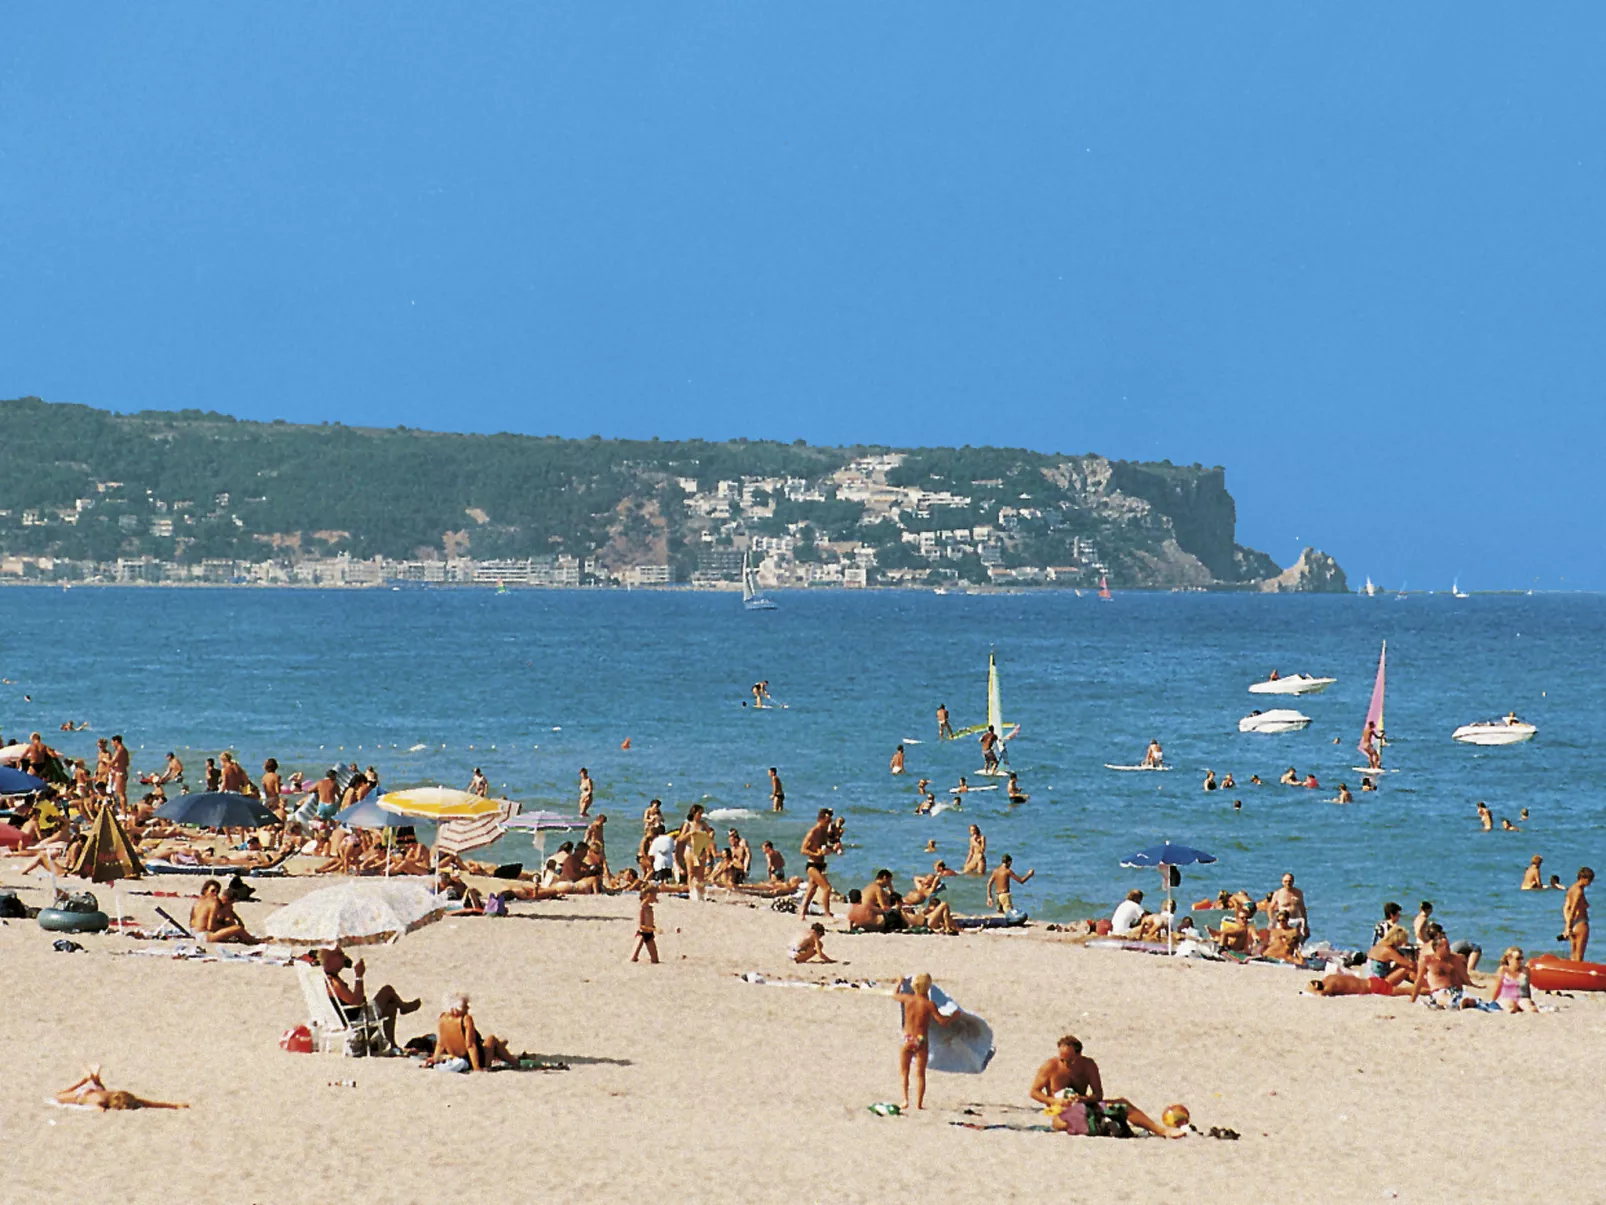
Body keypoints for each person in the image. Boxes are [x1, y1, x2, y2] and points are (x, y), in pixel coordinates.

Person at [1029, 1035, 1184, 1138]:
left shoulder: (1088, 1065)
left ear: (1079, 1055)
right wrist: (1054, 1101)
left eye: (1070, 1060)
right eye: (1062, 1059)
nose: (1065, 1064)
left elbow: (1098, 1095)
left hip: (1084, 1106)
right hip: (1060, 1111)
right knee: (1061, 1124)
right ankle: (1105, 1125)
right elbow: (1034, 1092)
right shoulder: (1050, 1066)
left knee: (1122, 1104)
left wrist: (1082, 1099)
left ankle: (1161, 1131)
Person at [321, 947, 420, 1047]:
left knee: (391, 1005)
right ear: (330, 959)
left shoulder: (326, 980)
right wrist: (359, 976)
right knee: (387, 990)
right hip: (357, 1021)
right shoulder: (335, 983)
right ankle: (403, 1007)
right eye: (340, 955)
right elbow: (356, 1002)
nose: (344, 957)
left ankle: (392, 1044)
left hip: (346, 1019)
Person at [893, 973, 955, 1111]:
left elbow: (894, 995)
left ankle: (905, 1100)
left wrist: (899, 983)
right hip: (921, 1039)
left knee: (905, 1071)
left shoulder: (908, 999)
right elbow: (942, 1021)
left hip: (908, 1038)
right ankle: (919, 1104)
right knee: (920, 1074)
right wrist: (953, 1016)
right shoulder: (929, 1004)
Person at [427, 991, 518, 1070]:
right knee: (491, 1039)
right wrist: (476, 1067)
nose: (468, 1008)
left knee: (497, 1043)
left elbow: (440, 1044)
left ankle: (500, 1049)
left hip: (457, 1058)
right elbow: (470, 1045)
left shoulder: (443, 1018)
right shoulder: (465, 1019)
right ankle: (515, 1063)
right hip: (474, 1060)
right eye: (465, 1006)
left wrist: (435, 1058)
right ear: (456, 1008)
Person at [55, 1066, 187, 1111]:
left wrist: (174, 1106)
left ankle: (93, 1078)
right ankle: (85, 1079)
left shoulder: (116, 1096)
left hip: (97, 1090)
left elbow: (150, 1104)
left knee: (98, 1087)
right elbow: (88, 1103)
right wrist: (175, 1106)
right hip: (86, 1094)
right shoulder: (99, 1101)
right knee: (60, 1096)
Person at [1410, 926, 1477, 1008]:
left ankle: (1464, 1001)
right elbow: (1419, 980)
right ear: (1438, 948)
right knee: (1442, 997)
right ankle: (1458, 1003)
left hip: (1456, 991)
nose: (1449, 950)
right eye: (1447, 947)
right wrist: (1412, 999)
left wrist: (1474, 985)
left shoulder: (1455, 959)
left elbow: (1465, 979)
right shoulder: (1427, 960)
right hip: (1439, 991)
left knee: (1473, 999)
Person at [189, 879, 259, 944]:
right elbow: (210, 927)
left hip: (193, 932)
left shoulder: (198, 902)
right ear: (205, 890)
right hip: (204, 936)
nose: (215, 894)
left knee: (232, 927)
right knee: (238, 929)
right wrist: (228, 927)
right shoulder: (213, 902)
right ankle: (256, 941)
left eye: (217, 892)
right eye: (213, 891)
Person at [799, 809, 834, 919]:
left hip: (821, 864)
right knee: (827, 888)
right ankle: (827, 913)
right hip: (812, 864)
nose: (829, 823)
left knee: (811, 890)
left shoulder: (824, 832)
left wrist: (832, 849)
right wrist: (816, 854)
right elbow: (803, 850)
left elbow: (824, 846)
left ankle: (802, 912)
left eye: (830, 820)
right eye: (827, 820)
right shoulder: (813, 832)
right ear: (821, 819)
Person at [1487, 948, 1538, 1013]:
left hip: (1522, 998)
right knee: (1511, 1009)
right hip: (1507, 998)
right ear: (1509, 959)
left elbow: (1527, 988)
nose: (1520, 961)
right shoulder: (1503, 970)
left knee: (1532, 1010)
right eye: (1518, 958)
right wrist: (1492, 1000)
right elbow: (1497, 987)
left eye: (1521, 958)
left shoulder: (1526, 971)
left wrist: (1529, 1000)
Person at [1565, 867, 1594, 961]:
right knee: (1579, 955)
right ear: (1583, 878)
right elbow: (1573, 908)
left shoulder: (1572, 888)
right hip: (1581, 923)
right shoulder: (1579, 891)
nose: (1590, 883)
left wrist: (1568, 924)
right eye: (1589, 880)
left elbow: (1566, 908)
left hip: (1574, 923)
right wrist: (1568, 926)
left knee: (1573, 954)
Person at [1269, 873, 1308, 937]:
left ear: (1293, 881)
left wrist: (1305, 924)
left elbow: (1302, 909)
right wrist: (1271, 921)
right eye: (1285, 881)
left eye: (1290, 881)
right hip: (1283, 921)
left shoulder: (1298, 893)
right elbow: (1270, 908)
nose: (1288, 883)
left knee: (1299, 938)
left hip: (1295, 920)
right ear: (1282, 882)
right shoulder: (1278, 893)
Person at [630, 884, 659, 963]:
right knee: (633, 957)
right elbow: (641, 926)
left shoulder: (649, 907)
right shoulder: (642, 908)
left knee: (655, 959)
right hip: (642, 934)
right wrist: (654, 929)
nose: (656, 898)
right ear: (648, 895)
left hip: (649, 933)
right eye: (655, 895)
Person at [108, 734, 130, 808]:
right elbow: (127, 763)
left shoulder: (120, 750)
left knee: (120, 793)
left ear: (116, 741)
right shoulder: (124, 750)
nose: (112, 745)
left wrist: (104, 760)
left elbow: (112, 762)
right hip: (123, 771)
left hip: (120, 773)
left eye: (112, 743)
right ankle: (123, 809)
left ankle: (123, 811)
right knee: (121, 793)